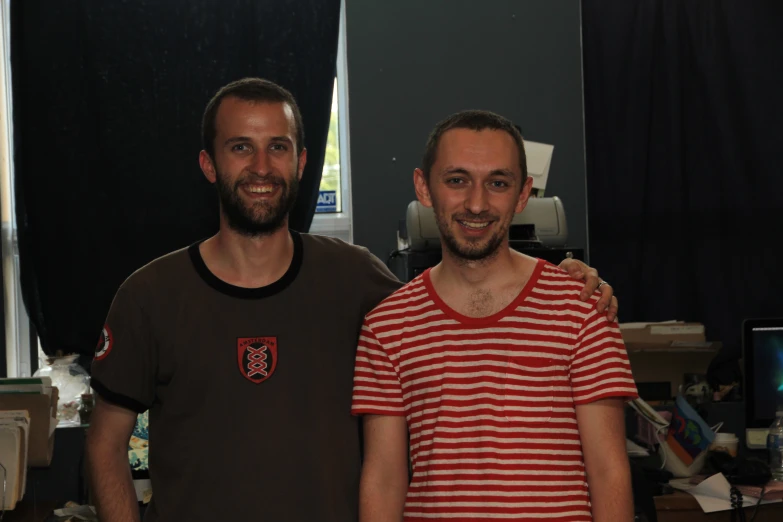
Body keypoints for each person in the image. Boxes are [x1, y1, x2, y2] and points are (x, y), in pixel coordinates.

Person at [85, 79, 619, 522]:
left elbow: (457, 298)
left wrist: (573, 280)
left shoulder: (358, 280)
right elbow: (107, 445)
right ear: (209, 164)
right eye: (240, 146)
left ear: (302, 162)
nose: (262, 167)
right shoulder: (149, 296)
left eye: (279, 146)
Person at [351, 110, 638, 522]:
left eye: (498, 183)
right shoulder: (387, 325)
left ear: (523, 194)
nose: (477, 203)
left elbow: (609, 472)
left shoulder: (582, 307)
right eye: (457, 180)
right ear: (424, 187)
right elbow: (383, 478)